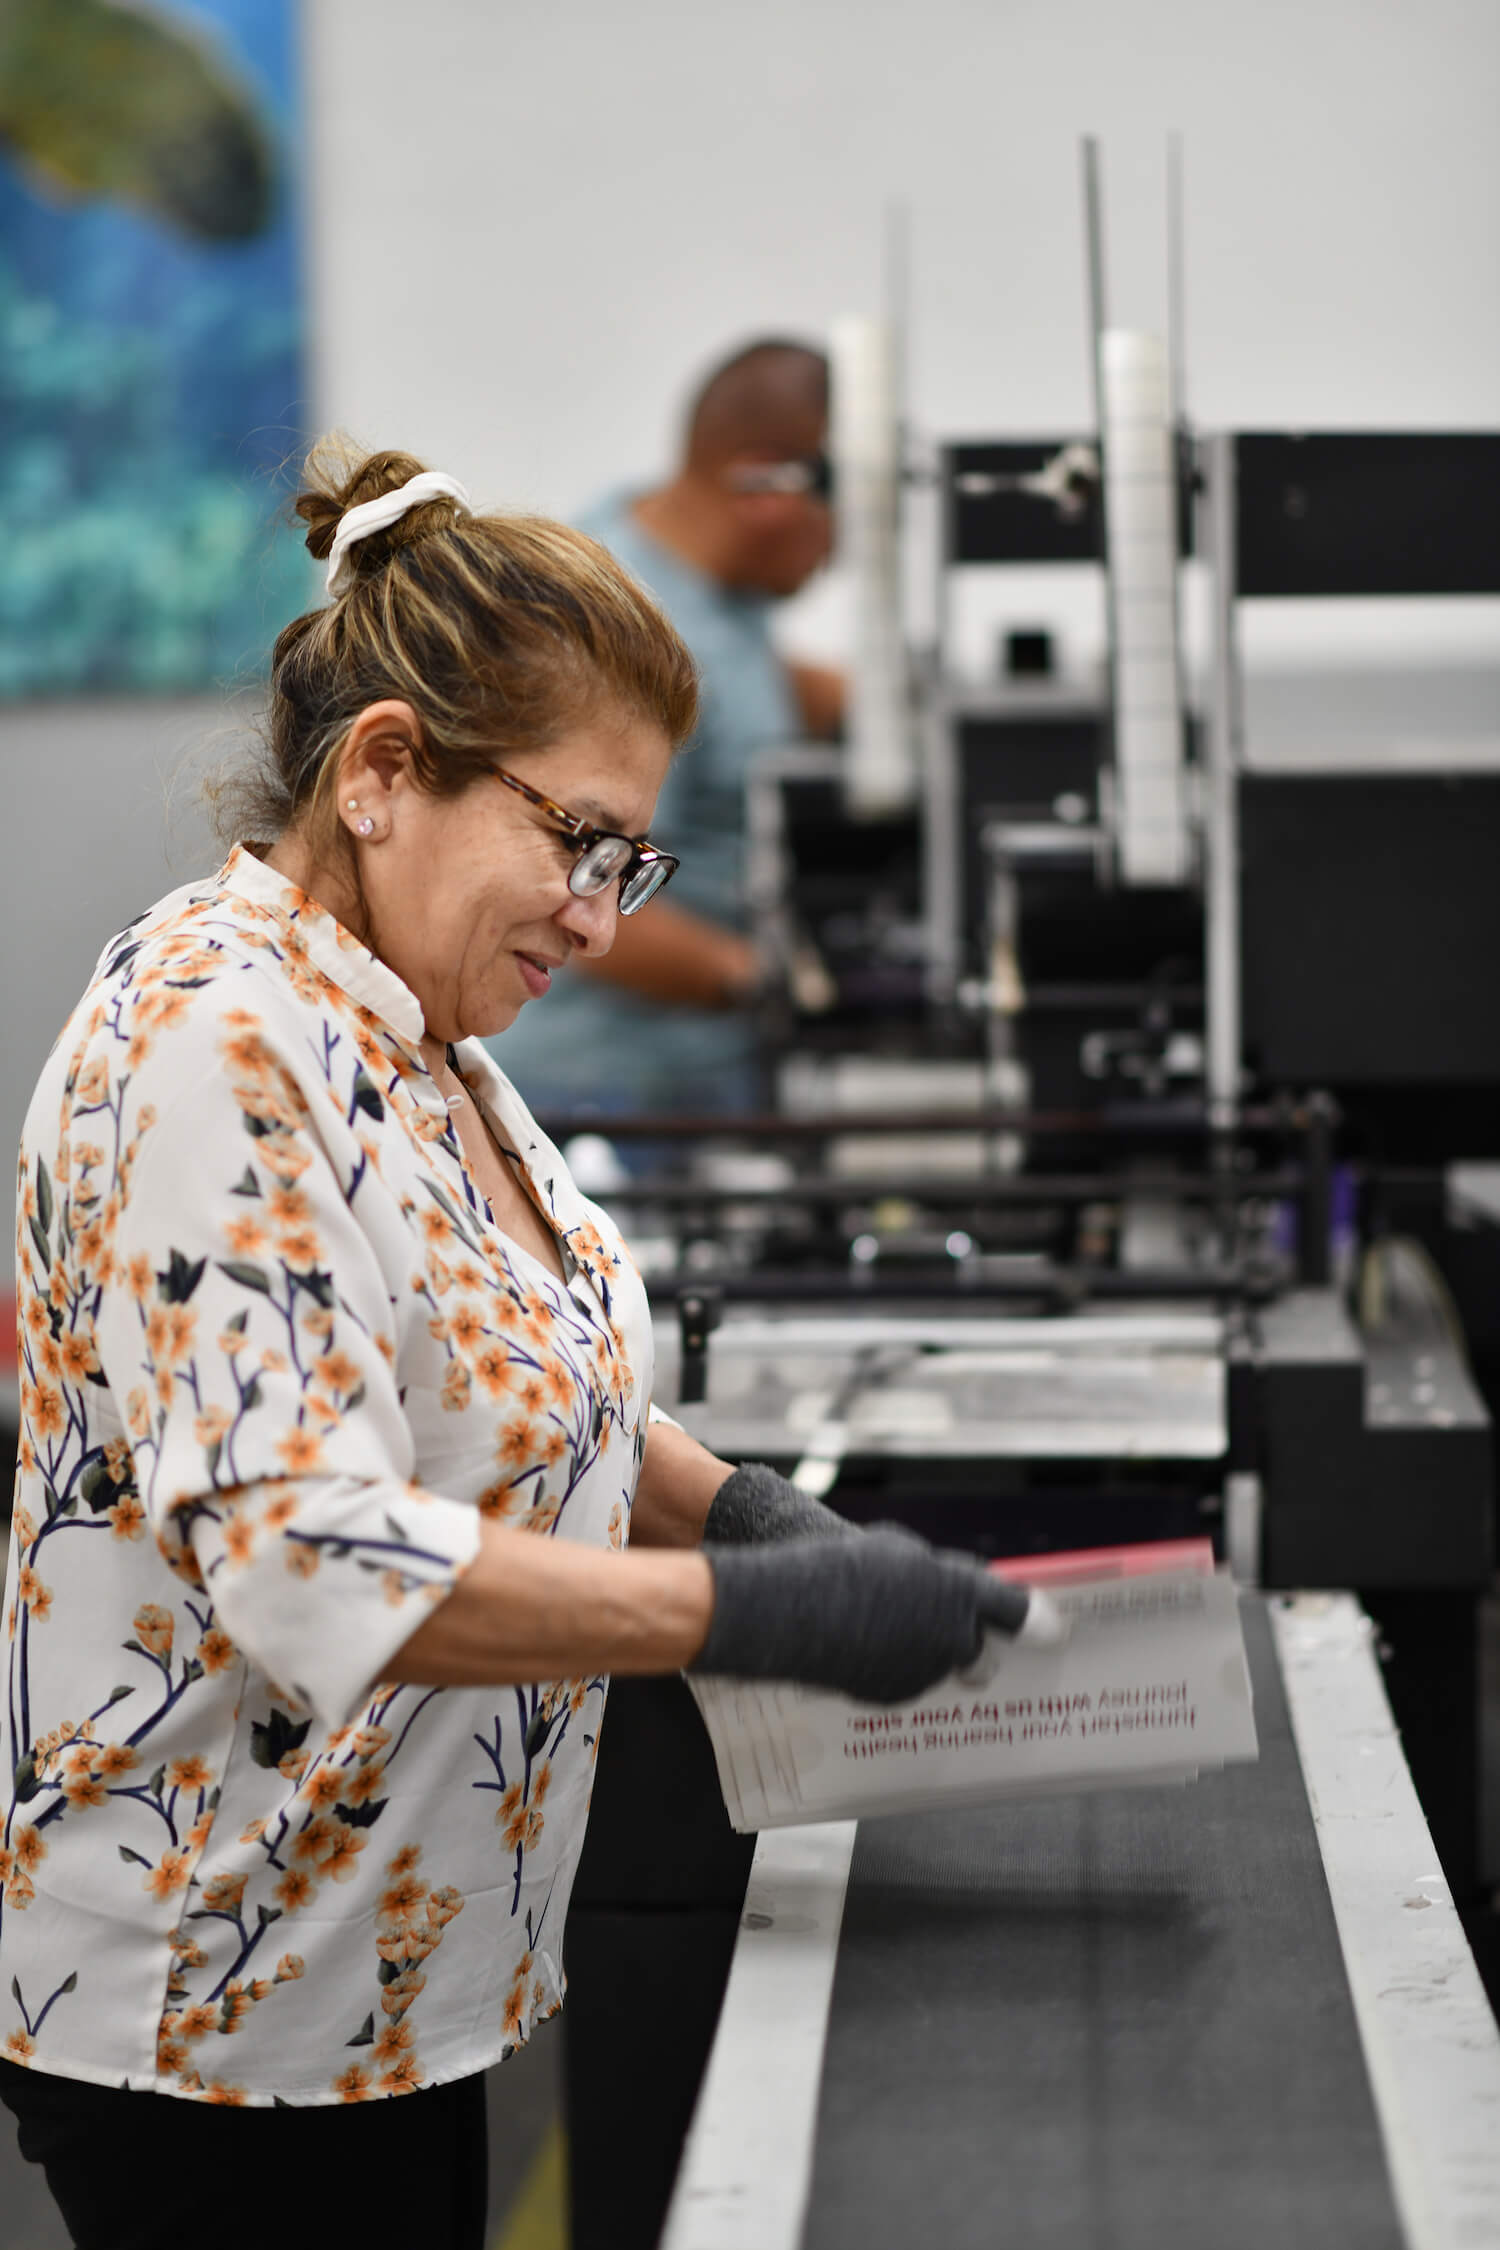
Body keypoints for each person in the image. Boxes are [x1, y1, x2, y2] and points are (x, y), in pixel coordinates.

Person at [0, 441, 1041, 2248]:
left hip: (387, 1974)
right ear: (387, 768)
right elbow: (306, 1560)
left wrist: (742, 1516)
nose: (599, 914)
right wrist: (757, 1617)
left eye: (634, 860)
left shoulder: (417, 1038)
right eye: (576, 842)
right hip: (216, 2004)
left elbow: (512, 1366)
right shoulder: (214, 1043)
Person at [489, 336, 844, 1114]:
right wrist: (780, 981)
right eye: (840, 513)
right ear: (766, 488)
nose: (839, 551)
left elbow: (739, 684)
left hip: (686, 1082)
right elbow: (569, 881)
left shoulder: (687, 575)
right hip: (603, 1093)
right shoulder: (615, 625)